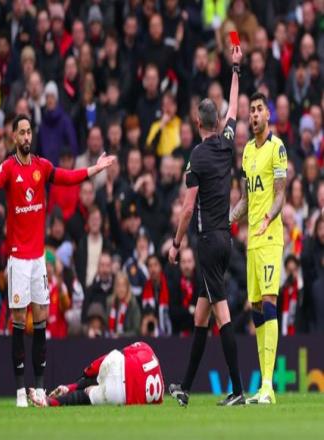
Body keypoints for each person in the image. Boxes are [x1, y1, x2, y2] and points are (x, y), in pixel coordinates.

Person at [0, 114, 115, 407]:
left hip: (38, 260)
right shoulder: (8, 168)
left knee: (40, 321)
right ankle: (19, 390)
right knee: (18, 322)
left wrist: (94, 169)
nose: (27, 137)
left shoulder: (42, 166)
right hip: (18, 260)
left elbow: (67, 176)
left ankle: (39, 388)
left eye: (29, 132)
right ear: (14, 137)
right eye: (22, 132)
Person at [168, 45, 244, 407]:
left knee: (221, 313)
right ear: (218, 123)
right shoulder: (227, 143)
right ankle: (184, 387)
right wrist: (235, 70)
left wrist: (175, 243)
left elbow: (187, 209)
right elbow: (234, 106)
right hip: (223, 239)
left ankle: (239, 390)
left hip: (209, 241)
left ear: (199, 123)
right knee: (201, 317)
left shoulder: (197, 156)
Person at [230, 92, 288, 404]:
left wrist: (267, 218)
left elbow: (280, 195)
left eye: (259, 109)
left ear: (268, 115)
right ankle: (264, 386)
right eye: (251, 110)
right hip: (252, 241)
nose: (254, 114)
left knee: (268, 301)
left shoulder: (277, 148)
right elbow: (245, 199)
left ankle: (268, 384)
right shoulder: (248, 152)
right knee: (255, 308)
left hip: (270, 237)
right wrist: (227, 219)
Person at [28, 341, 164, 407]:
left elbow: (113, 357)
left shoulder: (144, 347)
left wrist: (87, 372)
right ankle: (49, 402)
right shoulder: (161, 391)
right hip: (122, 397)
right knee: (86, 397)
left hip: (120, 370)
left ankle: (70, 387)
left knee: (107, 366)